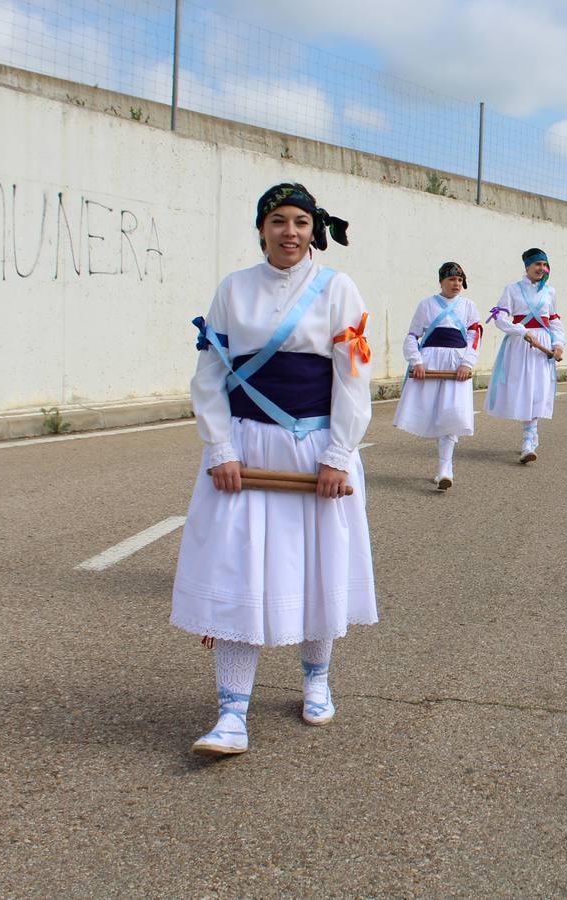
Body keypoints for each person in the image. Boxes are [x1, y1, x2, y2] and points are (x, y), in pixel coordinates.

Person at [176, 182, 375, 756]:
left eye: (302, 223)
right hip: (245, 453)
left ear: (316, 230)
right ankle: (231, 715)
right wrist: (220, 450)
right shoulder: (232, 289)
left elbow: (352, 380)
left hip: (313, 452)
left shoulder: (338, 288)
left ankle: (316, 678)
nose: (290, 233)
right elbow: (209, 376)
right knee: (239, 573)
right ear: (260, 228)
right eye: (279, 221)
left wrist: (339, 456)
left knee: (317, 565)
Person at [394, 262, 483, 489]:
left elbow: (475, 335)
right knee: (432, 411)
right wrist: (417, 361)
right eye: (452, 279)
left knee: (452, 413)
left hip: (457, 366)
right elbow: (413, 335)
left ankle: (445, 468)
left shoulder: (469, 305)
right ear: (442, 281)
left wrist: (467, 362)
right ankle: (443, 465)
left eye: (460, 280)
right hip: (431, 363)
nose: (457, 284)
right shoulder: (426, 305)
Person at [485, 247, 565, 463]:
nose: (542, 268)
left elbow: (555, 321)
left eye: (544, 264)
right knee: (524, 389)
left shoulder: (550, 292)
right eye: (537, 264)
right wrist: (521, 331)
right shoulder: (512, 289)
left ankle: (528, 440)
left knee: (538, 389)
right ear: (528, 266)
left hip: (543, 346)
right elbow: (500, 317)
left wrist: (558, 344)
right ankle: (530, 435)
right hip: (521, 344)